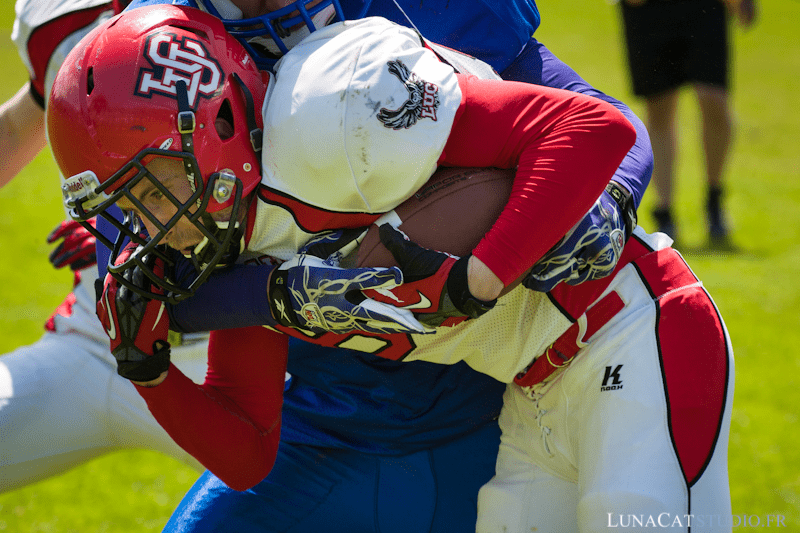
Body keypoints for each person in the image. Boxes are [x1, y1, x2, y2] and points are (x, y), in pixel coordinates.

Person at [53, 6, 732, 533]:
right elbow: (248, 453)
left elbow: (592, 128)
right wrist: (149, 371)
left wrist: (480, 277)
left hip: (632, 335)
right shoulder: (238, 245)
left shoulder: (335, 112)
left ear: (204, 126)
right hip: (532, 397)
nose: (140, 227)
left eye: (146, 191)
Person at [0, 0, 210, 492]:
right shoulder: (65, 24)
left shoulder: (240, 21)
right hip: (99, 340)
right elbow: (18, 126)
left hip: (224, 359)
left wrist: (133, 227)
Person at [619, 0, 756, 246]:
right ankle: (664, 212)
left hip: (704, 8)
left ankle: (714, 200)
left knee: (713, 99)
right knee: (659, 107)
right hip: (649, 11)